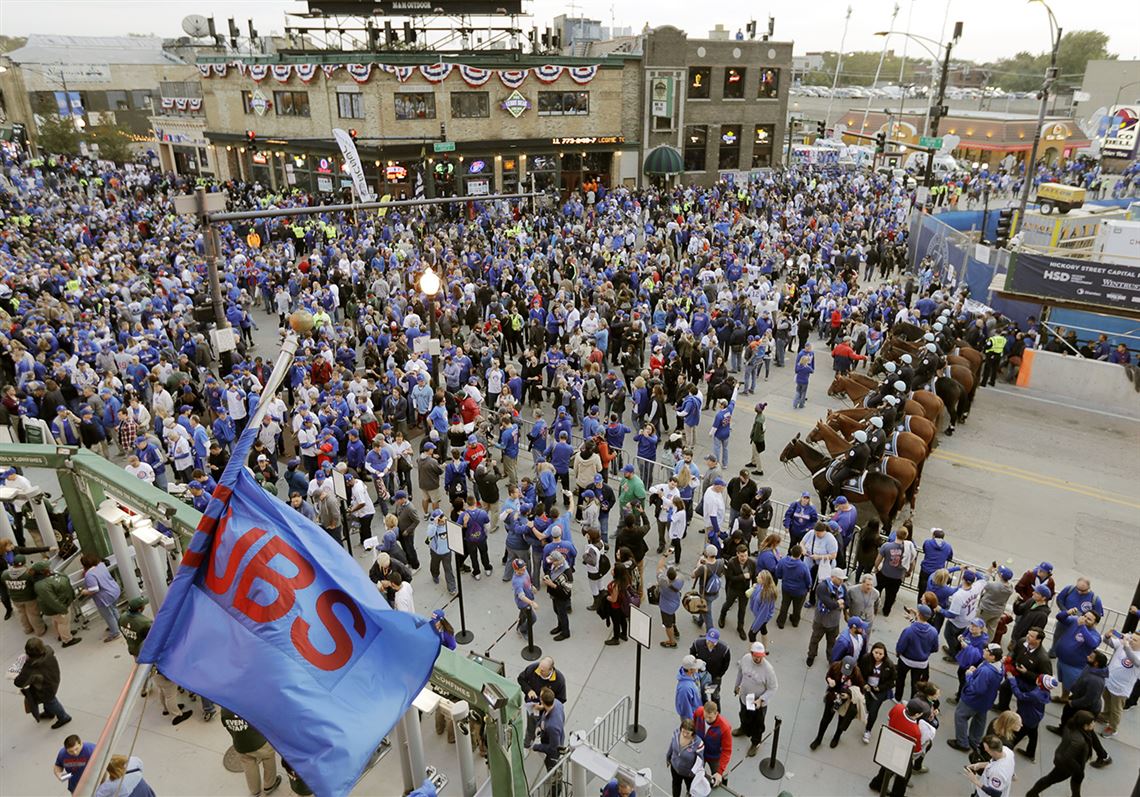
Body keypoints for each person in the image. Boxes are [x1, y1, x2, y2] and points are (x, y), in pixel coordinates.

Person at [1025, 710, 1098, 797]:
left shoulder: (1071, 726)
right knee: (1050, 779)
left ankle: (1076, 795)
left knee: (1076, 779)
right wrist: (1078, 770)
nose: (1094, 724)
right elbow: (1068, 757)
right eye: (1092, 722)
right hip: (1067, 766)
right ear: (1085, 725)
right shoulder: (1079, 741)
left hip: (1065, 759)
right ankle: (1032, 794)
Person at [948, 643, 1005, 755]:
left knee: (960, 716)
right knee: (979, 719)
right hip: (987, 700)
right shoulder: (999, 667)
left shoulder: (986, 671)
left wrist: (969, 675)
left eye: (987, 650)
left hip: (973, 700)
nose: (984, 650)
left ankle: (962, 743)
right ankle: (975, 741)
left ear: (992, 656)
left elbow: (977, 689)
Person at [868, 699, 929, 797]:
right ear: (917, 714)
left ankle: (877, 784)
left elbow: (889, 717)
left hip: (889, 743)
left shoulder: (898, 708)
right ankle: (896, 794)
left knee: (886, 767)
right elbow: (915, 752)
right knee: (904, 776)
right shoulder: (916, 731)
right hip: (901, 753)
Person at [220, 707, 282, 796]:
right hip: (258, 741)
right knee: (269, 757)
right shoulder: (250, 705)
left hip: (240, 744)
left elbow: (227, 727)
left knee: (248, 765)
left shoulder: (224, 709)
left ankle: (255, 790)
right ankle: (270, 785)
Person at [732, 641, 778, 758]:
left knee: (758, 725)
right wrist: (737, 686)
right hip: (744, 697)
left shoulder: (768, 670)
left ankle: (755, 742)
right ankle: (744, 728)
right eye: (756, 656)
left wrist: (761, 700)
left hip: (758, 703)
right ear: (751, 653)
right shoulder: (745, 659)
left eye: (760, 657)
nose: (758, 659)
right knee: (743, 715)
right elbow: (740, 673)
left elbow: (773, 688)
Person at [810, 655, 865, 750]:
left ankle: (836, 737)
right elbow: (828, 675)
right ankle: (818, 739)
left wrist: (849, 694)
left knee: (842, 720)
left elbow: (860, 689)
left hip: (845, 701)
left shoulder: (857, 674)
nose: (846, 674)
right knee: (825, 719)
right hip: (833, 697)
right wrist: (830, 680)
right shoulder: (835, 666)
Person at [14, 637, 71, 727]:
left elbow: (19, 683)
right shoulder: (48, 651)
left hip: (44, 687)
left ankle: (64, 717)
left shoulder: (31, 667)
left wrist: (20, 669)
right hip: (53, 678)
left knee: (50, 701)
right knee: (47, 700)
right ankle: (49, 713)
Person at [30, 560, 81, 647]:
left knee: (56, 621)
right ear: (42, 571)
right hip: (58, 607)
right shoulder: (41, 585)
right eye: (47, 567)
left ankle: (61, 635)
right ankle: (67, 640)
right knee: (63, 622)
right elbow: (51, 600)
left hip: (55, 607)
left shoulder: (43, 579)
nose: (49, 568)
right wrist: (62, 609)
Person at [1008, 673, 1057, 762]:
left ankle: (1007, 751)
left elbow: (1020, 695)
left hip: (1026, 717)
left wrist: (1012, 680)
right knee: (1033, 734)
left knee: (1016, 736)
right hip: (1035, 717)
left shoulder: (1035, 694)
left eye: (1039, 679)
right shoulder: (1045, 692)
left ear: (1040, 683)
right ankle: (1030, 753)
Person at [895, 604, 940, 700]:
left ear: (918, 614)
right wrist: (925, 652)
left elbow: (900, 646)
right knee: (916, 684)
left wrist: (898, 653)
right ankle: (913, 701)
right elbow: (935, 648)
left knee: (900, 679)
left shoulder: (909, 630)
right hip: (921, 663)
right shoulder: (933, 631)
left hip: (905, 660)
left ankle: (897, 698)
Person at [1099, 631, 1139, 737]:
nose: (1131, 641)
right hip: (1109, 680)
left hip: (1121, 688)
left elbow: (1134, 660)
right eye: (1131, 638)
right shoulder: (1123, 645)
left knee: (1116, 709)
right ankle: (1105, 716)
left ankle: (1113, 728)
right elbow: (1111, 643)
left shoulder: (1137, 654)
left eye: (1135, 640)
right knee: (1106, 699)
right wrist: (1107, 637)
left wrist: (1126, 645)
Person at [806, 568, 847, 667]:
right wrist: (839, 603)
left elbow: (848, 602)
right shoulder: (822, 587)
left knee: (832, 643)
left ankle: (831, 659)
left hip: (834, 622)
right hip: (820, 621)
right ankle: (811, 655)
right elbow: (829, 604)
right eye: (839, 579)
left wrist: (842, 604)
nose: (842, 581)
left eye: (842, 579)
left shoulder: (843, 588)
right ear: (833, 577)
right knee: (815, 639)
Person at [78, 553, 122, 643]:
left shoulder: (89, 574)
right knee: (114, 609)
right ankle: (120, 625)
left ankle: (115, 633)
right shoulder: (101, 565)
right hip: (114, 590)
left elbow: (94, 589)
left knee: (108, 615)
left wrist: (83, 591)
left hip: (105, 597)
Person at [859, 642, 898, 743]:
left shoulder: (888, 664)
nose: (878, 655)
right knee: (867, 704)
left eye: (881, 654)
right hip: (867, 687)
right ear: (872, 651)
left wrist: (880, 688)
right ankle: (867, 711)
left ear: (884, 654)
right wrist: (864, 684)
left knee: (874, 711)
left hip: (880, 691)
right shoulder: (866, 659)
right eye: (876, 652)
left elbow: (892, 680)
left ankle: (868, 730)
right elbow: (859, 673)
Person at [719, 545, 755, 639]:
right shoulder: (731, 562)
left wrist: (754, 586)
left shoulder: (752, 563)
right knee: (728, 604)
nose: (744, 558)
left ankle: (740, 627)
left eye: (746, 555)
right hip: (734, 589)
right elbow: (729, 578)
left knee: (742, 610)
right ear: (737, 554)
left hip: (745, 590)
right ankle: (722, 616)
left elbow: (754, 576)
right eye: (742, 556)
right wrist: (743, 577)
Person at [693, 701, 732, 787]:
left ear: (716, 713)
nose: (707, 719)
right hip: (700, 752)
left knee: (718, 779)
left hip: (714, 757)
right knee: (695, 773)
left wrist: (720, 772)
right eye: (705, 716)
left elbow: (727, 750)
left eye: (710, 718)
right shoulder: (699, 712)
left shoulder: (725, 728)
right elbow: (694, 724)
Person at [775, 543, 812, 629]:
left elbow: (778, 574)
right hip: (800, 591)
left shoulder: (783, 561)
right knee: (797, 607)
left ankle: (781, 622)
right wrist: (808, 587)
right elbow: (808, 580)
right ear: (800, 554)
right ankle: (795, 621)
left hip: (786, 588)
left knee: (784, 604)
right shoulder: (803, 566)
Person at [665, 718, 705, 797]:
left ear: (693, 732)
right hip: (675, 768)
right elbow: (671, 746)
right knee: (676, 785)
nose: (685, 734)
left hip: (689, 773)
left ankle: (689, 793)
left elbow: (700, 761)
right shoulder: (676, 734)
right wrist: (668, 757)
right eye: (683, 731)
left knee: (690, 787)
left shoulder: (698, 743)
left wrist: (693, 773)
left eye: (688, 733)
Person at [531, 687, 566, 776]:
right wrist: (540, 725)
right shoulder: (557, 703)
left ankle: (556, 787)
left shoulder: (552, 726)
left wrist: (537, 747)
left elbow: (554, 749)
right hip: (552, 735)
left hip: (553, 749)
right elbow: (544, 715)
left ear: (542, 701)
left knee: (552, 767)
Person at [543, 551, 573, 641]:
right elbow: (550, 571)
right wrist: (547, 576)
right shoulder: (555, 565)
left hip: (562, 597)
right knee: (557, 611)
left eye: (552, 561)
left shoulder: (566, 571)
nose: (551, 563)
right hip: (554, 594)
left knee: (562, 613)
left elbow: (568, 588)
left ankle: (565, 632)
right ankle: (560, 626)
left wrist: (552, 585)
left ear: (557, 561)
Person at [656, 557, 684, 648]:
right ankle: (674, 627)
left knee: (667, 625)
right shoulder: (680, 580)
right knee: (672, 616)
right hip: (675, 603)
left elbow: (659, 567)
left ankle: (671, 641)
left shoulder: (663, 582)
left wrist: (664, 556)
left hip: (666, 606)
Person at [675, 654, 703, 719]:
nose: (697, 668)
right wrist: (691, 722)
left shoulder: (693, 674)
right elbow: (685, 709)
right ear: (690, 670)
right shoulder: (685, 688)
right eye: (695, 667)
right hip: (693, 717)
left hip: (698, 710)